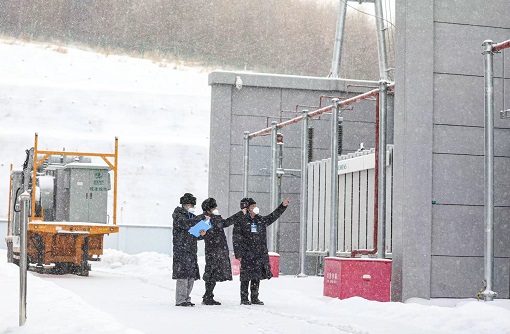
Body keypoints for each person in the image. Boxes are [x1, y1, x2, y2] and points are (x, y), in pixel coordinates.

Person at [233, 197, 291, 305]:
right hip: (247, 253)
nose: (255, 208)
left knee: (256, 276)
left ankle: (255, 297)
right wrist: (238, 253)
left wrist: (283, 206)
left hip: (259, 253)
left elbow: (273, 216)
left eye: (255, 206)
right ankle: (244, 298)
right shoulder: (240, 221)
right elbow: (236, 238)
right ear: (247, 208)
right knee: (245, 276)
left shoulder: (260, 220)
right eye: (253, 206)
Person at [195, 198, 245, 305]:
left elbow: (227, 222)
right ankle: (207, 296)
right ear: (209, 209)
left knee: (214, 273)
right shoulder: (205, 219)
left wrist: (240, 214)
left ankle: (208, 295)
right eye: (213, 207)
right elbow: (197, 235)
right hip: (212, 250)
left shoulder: (216, 219)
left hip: (219, 250)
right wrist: (204, 234)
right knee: (211, 272)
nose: (215, 209)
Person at [172, 193, 205, 307]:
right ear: (184, 205)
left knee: (191, 276)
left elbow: (194, 233)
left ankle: (187, 298)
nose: (191, 207)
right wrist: (201, 217)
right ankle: (180, 299)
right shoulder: (178, 215)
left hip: (191, 249)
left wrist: (202, 233)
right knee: (182, 275)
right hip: (181, 249)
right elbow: (185, 225)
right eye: (190, 205)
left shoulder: (191, 217)